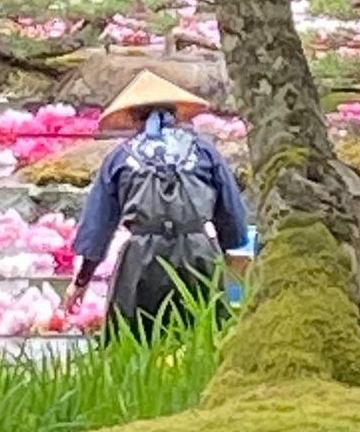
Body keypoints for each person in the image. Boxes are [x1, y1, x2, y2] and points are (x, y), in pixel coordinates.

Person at [62, 70, 249, 337]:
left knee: (137, 340)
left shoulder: (120, 158)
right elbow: (232, 217)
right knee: (202, 336)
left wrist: (81, 282)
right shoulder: (204, 152)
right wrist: (231, 258)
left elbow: (98, 226)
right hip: (197, 255)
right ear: (175, 113)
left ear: (133, 116)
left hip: (141, 260)